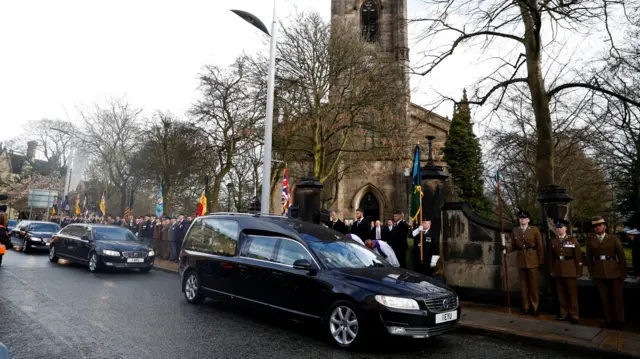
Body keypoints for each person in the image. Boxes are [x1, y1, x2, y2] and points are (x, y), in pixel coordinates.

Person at [586, 216, 626, 329]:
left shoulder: (613, 238)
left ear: (604, 226)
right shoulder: (591, 240)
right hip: (599, 272)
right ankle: (608, 320)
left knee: (617, 298)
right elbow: (589, 259)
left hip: (614, 272)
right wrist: (592, 273)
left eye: (600, 225)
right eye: (595, 226)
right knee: (604, 299)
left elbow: (622, 258)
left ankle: (620, 321)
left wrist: (622, 274)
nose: (598, 228)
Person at [504, 210, 544, 317]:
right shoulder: (515, 230)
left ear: (528, 220)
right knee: (523, 286)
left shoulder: (534, 230)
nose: (522, 219)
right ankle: (526, 307)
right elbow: (513, 245)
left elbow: (540, 246)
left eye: (524, 218)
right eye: (520, 218)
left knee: (533, 286)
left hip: (533, 260)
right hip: (521, 260)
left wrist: (541, 261)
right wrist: (506, 248)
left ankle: (534, 308)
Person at [549, 218, 581, 324]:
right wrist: (552, 270)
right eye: (557, 228)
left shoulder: (571, 240)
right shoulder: (553, 240)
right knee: (561, 294)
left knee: (572, 294)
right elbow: (551, 257)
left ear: (566, 228)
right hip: (558, 269)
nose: (559, 229)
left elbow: (577, 257)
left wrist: (578, 271)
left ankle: (574, 315)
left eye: (561, 227)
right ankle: (563, 314)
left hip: (570, 269)